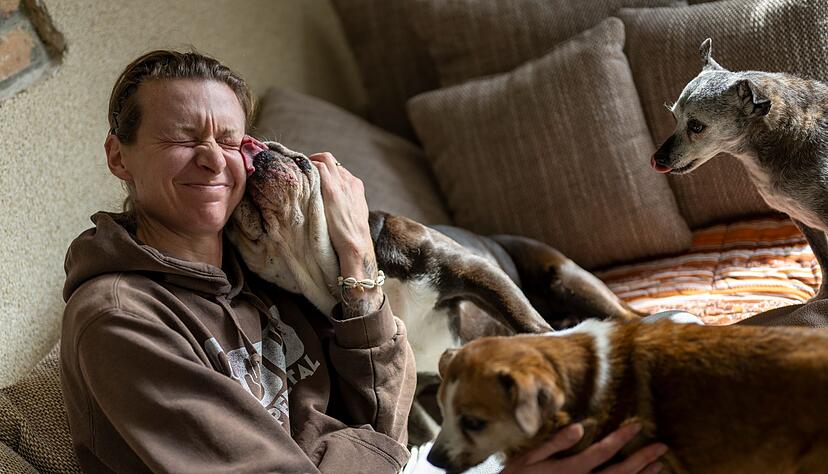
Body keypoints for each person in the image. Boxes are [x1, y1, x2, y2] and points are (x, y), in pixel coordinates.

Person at [60, 49, 666, 473]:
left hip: (398, 462)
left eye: (228, 140)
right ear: (119, 157)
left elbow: (382, 405)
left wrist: (356, 254)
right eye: (182, 139)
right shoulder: (120, 320)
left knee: (646, 422)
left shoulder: (262, 275)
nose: (213, 160)